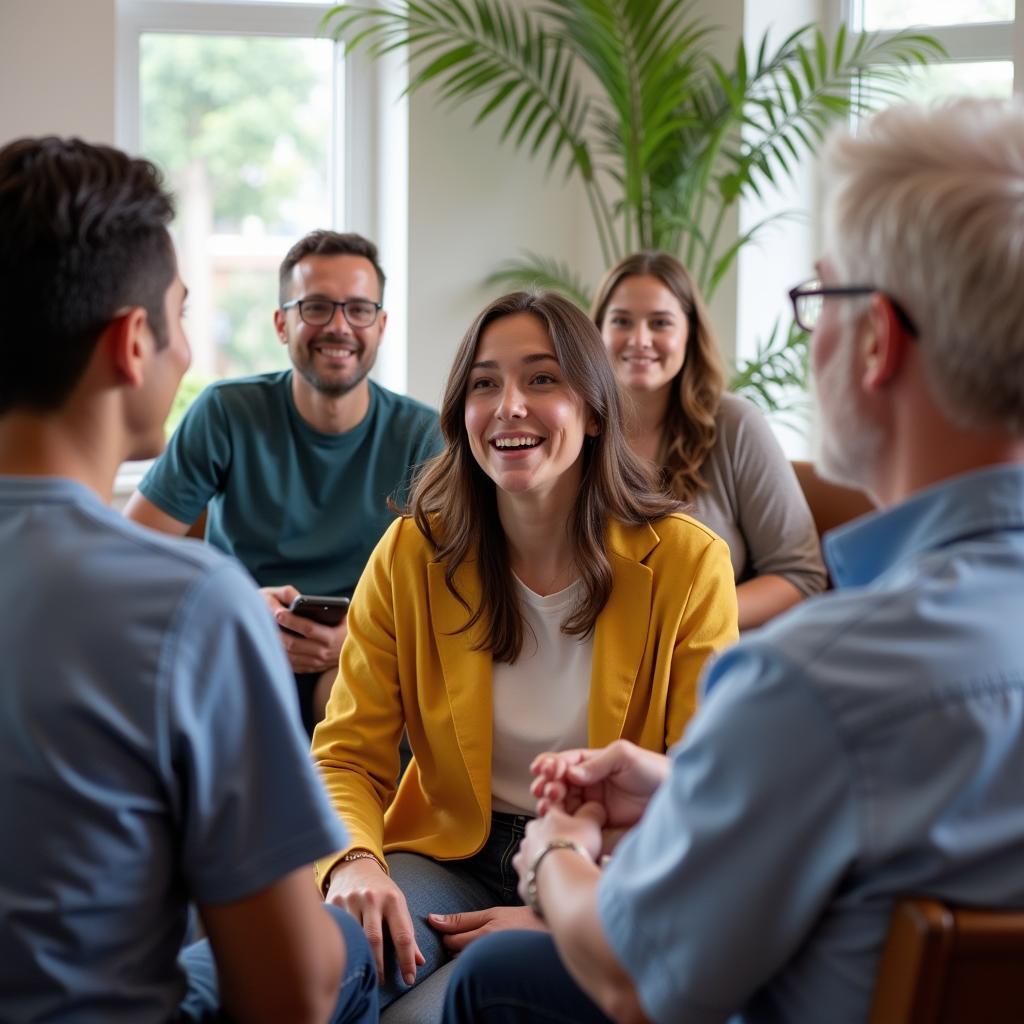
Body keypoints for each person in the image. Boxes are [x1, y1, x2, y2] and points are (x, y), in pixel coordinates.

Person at [442, 97, 1024, 1024]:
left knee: (490, 979)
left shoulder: (816, 680)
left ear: (876, 341)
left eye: (822, 298)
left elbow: (634, 978)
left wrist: (553, 855)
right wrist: (689, 783)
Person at [0, 136, 376, 1024]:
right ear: (134, 344)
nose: (186, 349)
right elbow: (287, 995)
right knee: (353, 949)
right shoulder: (190, 606)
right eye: (180, 313)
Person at [313, 290, 739, 1016]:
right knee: (330, 950)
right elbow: (348, 756)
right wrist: (354, 860)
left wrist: (561, 900)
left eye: (543, 379)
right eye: (485, 383)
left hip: (606, 862)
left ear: (596, 409)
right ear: (462, 413)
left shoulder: (689, 562)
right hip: (448, 855)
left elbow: (704, 782)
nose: (509, 405)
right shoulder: (414, 552)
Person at [125, 229, 442, 734]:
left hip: (362, 663)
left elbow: (449, 589)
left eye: (358, 309)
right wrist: (241, 608)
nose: (339, 326)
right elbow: (130, 555)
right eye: (316, 307)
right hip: (237, 651)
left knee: (359, 698)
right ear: (281, 323)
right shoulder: (226, 412)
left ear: (381, 326)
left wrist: (361, 640)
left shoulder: (422, 434)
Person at [592, 252, 827, 629]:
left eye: (660, 323)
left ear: (689, 332)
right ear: (597, 332)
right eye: (621, 321)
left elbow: (800, 576)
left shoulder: (735, 424)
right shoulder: (567, 433)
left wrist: (685, 620)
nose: (639, 339)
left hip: (709, 666)